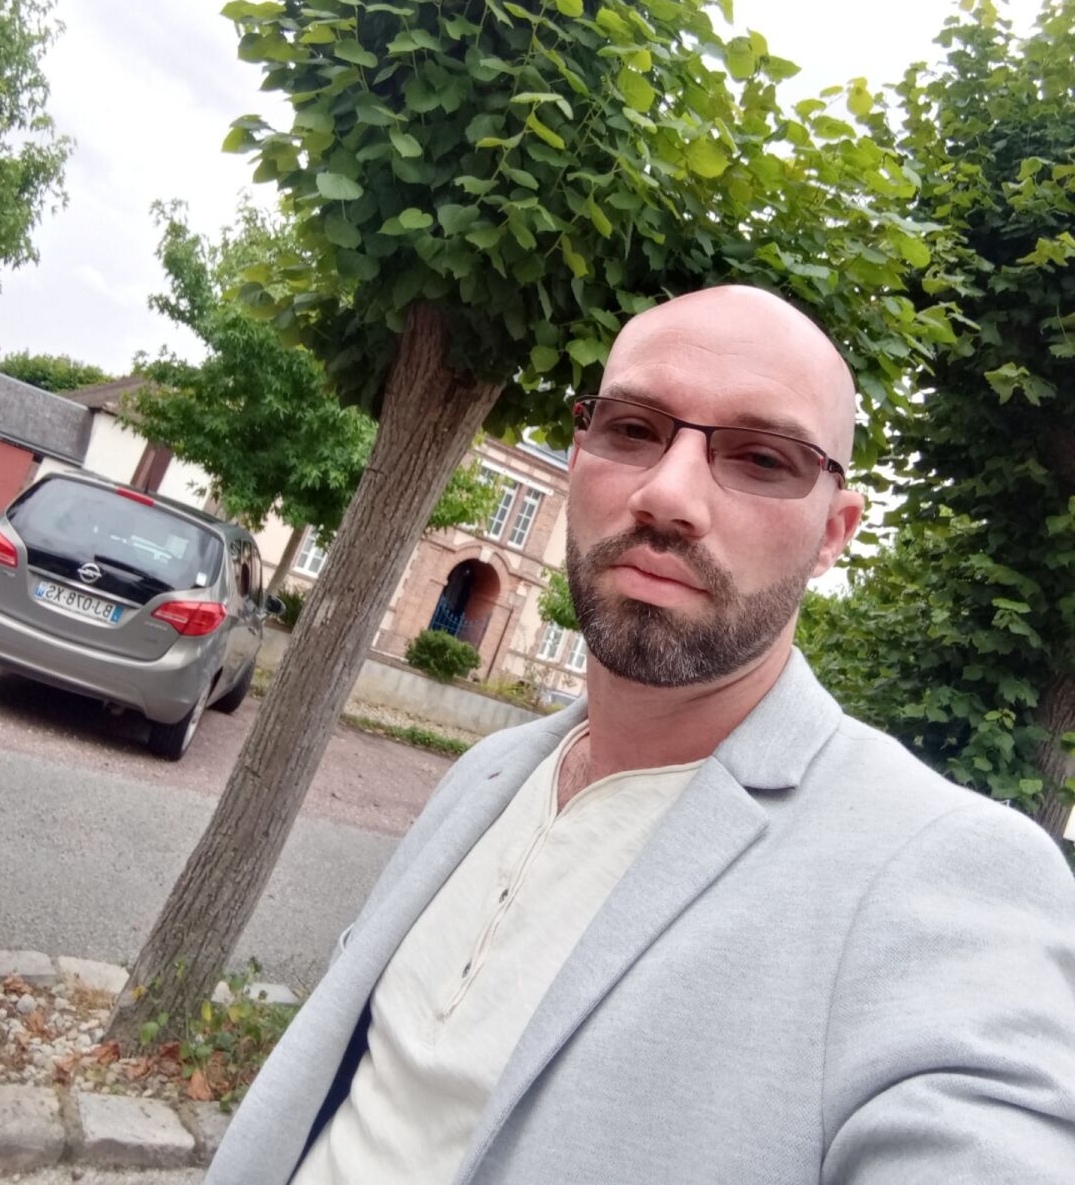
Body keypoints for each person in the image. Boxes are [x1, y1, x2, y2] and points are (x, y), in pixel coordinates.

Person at [207, 285, 1075, 1185]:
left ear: (833, 533)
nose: (667, 495)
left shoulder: (941, 869)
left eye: (763, 458)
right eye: (631, 429)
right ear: (579, 455)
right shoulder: (490, 773)